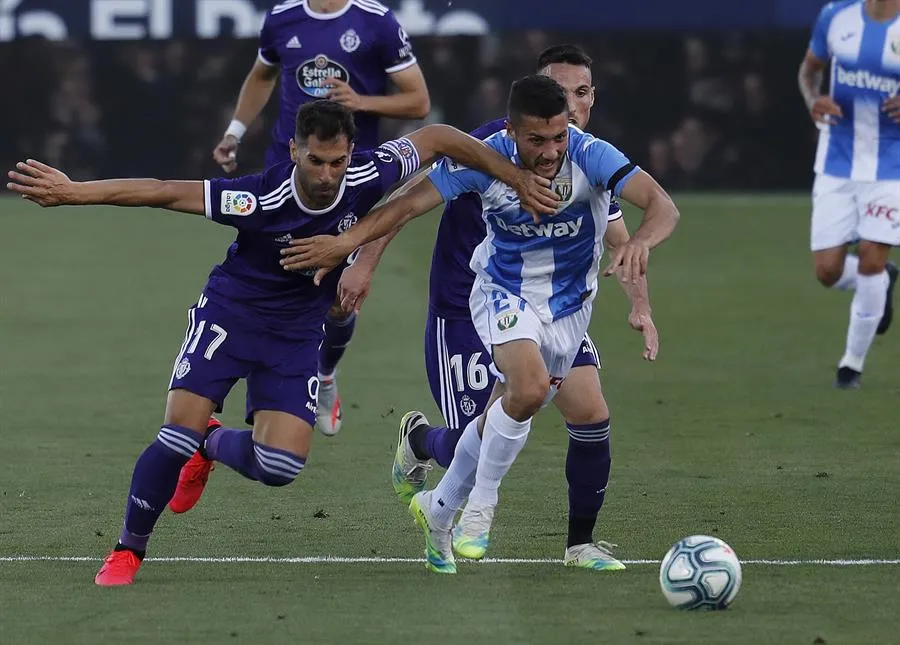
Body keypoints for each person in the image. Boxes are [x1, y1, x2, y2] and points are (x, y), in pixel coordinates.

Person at [5, 100, 557, 586]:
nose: (327, 174)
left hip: (296, 334)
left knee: (280, 466)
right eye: (315, 161)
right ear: (294, 150)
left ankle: (212, 444)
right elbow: (163, 192)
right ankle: (128, 549)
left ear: (350, 152)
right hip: (232, 315)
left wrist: (511, 174)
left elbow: (437, 137)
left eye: (337, 161)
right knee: (174, 433)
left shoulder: (369, 171)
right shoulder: (259, 197)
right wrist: (75, 192)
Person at [279, 75, 680, 574]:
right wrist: (347, 248)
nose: (553, 150)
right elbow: (404, 205)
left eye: (559, 136)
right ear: (512, 131)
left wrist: (642, 248)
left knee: (511, 414)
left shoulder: (590, 152)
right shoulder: (483, 158)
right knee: (528, 391)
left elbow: (661, 206)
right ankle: (479, 511)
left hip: (569, 309)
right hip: (500, 294)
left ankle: (440, 506)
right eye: (538, 140)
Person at [214, 0, 432, 434]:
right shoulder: (282, 18)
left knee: (337, 298)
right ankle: (262, 382)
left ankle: (325, 372)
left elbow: (419, 101)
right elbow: (262, 75)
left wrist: (361, 101)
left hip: (347, 186)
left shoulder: (377, 22)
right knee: (261, 280)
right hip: (285, 181)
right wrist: (234, 132)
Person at [797, 0, 899, 389]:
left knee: (872, 257)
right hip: (837, 158)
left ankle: (850, 368)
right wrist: (813, 100)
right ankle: (881, 282)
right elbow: (809, 71)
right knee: (827, 271)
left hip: (891, 163)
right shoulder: (835, 16)